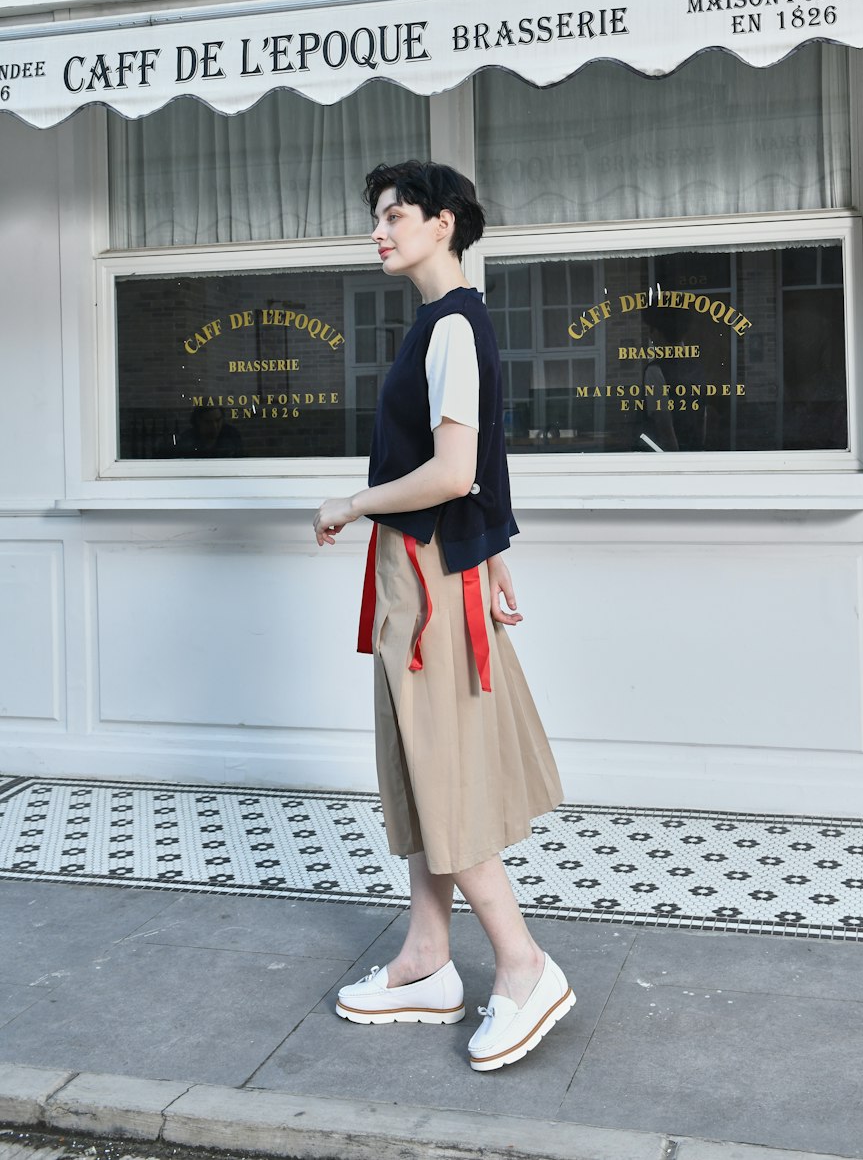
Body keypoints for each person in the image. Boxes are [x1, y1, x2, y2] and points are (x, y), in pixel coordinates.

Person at [312, 160, 571, 1073]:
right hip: (427, 572)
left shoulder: (455, 326)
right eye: (376, 217)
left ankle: (521, 964)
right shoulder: (446, 323)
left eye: (394, 215)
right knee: (426, 771)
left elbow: (456, 471)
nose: (378, 231)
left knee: (445, 774)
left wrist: (354, 502)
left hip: (423, 577)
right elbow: (485, 464)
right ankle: (427, 961)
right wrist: (495, 552)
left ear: (445, 222)